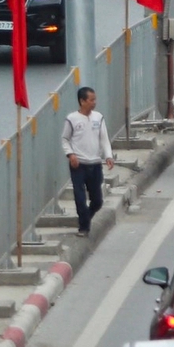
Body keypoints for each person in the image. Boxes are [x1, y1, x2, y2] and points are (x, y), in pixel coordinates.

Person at [60, 86, 115, 238]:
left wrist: (108, 156)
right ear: (82, 101)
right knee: (79, 197)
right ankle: (84, 227)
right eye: (91, 100)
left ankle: (86, 218)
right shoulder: (72, 119)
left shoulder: (98, 117)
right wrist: (70, 155)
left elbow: (104, 139)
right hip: (78, 164)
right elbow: (65, 139)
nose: (94, 103)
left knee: (97, 200)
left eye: (94, 99)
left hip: (95, 163)